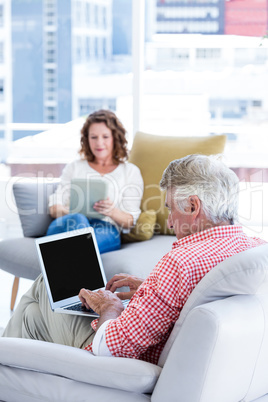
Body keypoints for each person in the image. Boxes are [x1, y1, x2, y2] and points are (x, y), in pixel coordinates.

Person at [3, 154, 266, 365]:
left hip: (119, 359)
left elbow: (112, 349)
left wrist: (110, 307)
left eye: (171, 209)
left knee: (41, 286)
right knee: (33, 316)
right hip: (182, 350)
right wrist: (152, 289)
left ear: (194, 206)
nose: (171, 222)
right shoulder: (254, 248)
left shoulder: (181, 262)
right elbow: (200, 295)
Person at [46, 109, 144, 254]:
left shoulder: (130, 171)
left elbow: (129, 221)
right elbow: (54, 209)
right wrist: (75, 211)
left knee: (83, 245)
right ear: (86, 139)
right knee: (79, 220)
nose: (99, 143)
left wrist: (111, 211)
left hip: (105, 228)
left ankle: (65, 267)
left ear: (115, 138)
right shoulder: (74, 167)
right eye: (93, 137)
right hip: (67, 223)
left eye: (105, 136)